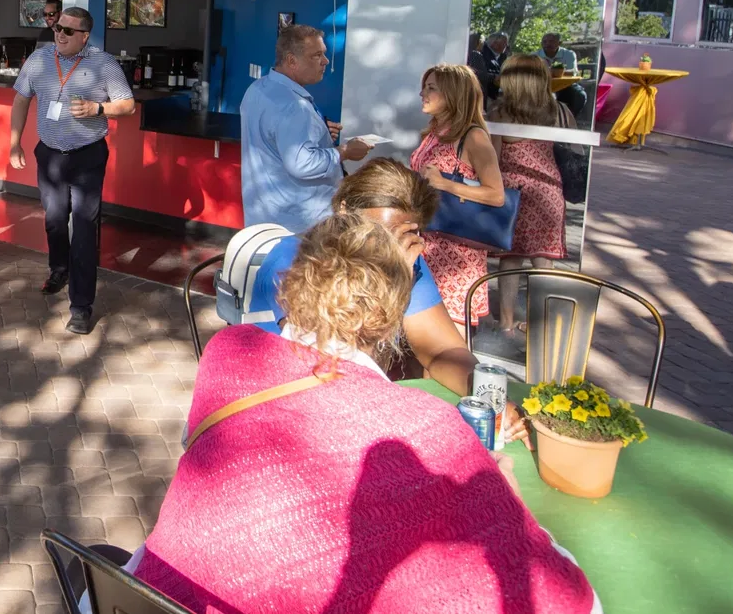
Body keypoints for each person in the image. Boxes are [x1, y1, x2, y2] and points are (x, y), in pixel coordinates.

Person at [131, 215, 597, 614]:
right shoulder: (429, 424)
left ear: (289, 284)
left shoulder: (229, 353)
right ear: (394, 316)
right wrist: (507, 506)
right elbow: (571, 598)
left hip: (144, 594)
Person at [242, 159, 527, 442]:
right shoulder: (298, 261)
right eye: (377, 233)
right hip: (289, 416)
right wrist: (396, 283)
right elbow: (335, 367)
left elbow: (442, 351)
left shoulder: (406, 258)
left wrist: (489, 397)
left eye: (402, 235)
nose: (388, 249)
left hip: (357, 407)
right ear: (344, 212)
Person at [9, 7, 135, 334]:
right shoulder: (39, 59)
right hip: (49, 155)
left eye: (68, 30)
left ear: (84, 35)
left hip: (87, 156)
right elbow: (21, 99)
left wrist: (99, 108)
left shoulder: (104, 63)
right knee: (53, 219)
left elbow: (127, 104)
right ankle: (59, 269)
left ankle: (81, 306)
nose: (60, 34)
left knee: (83, 228)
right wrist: (14, 142)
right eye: (57, 27)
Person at [239, 25, 372, 234]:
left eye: (324, 54)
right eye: (317, 55)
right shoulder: (294, 105)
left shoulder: (257, 89)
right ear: (292, 60)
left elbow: (274, 134)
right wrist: (345, 151)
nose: (325, 61)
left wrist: (316, 130)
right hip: (299, 226)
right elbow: (301, 164)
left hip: (264, 216)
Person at [411, 63, 506, 326]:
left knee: (450, 340)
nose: (423, 94)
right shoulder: (434, 133)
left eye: (431, 88)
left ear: (452, 94)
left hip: (455, 252)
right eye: (424, 87)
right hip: (426, 244)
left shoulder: (473, 137)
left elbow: (496, 195)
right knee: (424, 336)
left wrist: (447, 184)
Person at [489, 55, 570, 333]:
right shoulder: (556, 110)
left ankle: (507, 321)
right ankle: (542, 322)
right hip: (548, 189)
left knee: (509, 258)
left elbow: (494, 158)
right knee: (542, 260)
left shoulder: (500, 114)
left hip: (513, 191)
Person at [536, 32, 587, 120]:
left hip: (565, 85)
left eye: (551, 41)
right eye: (544, 42)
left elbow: (573, 72)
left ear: (559, 43)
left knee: (580, 95)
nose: (548, 44)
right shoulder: (534, 56)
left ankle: (569, 119)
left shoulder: (569, 54)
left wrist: (555, 71)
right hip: (541, 86)